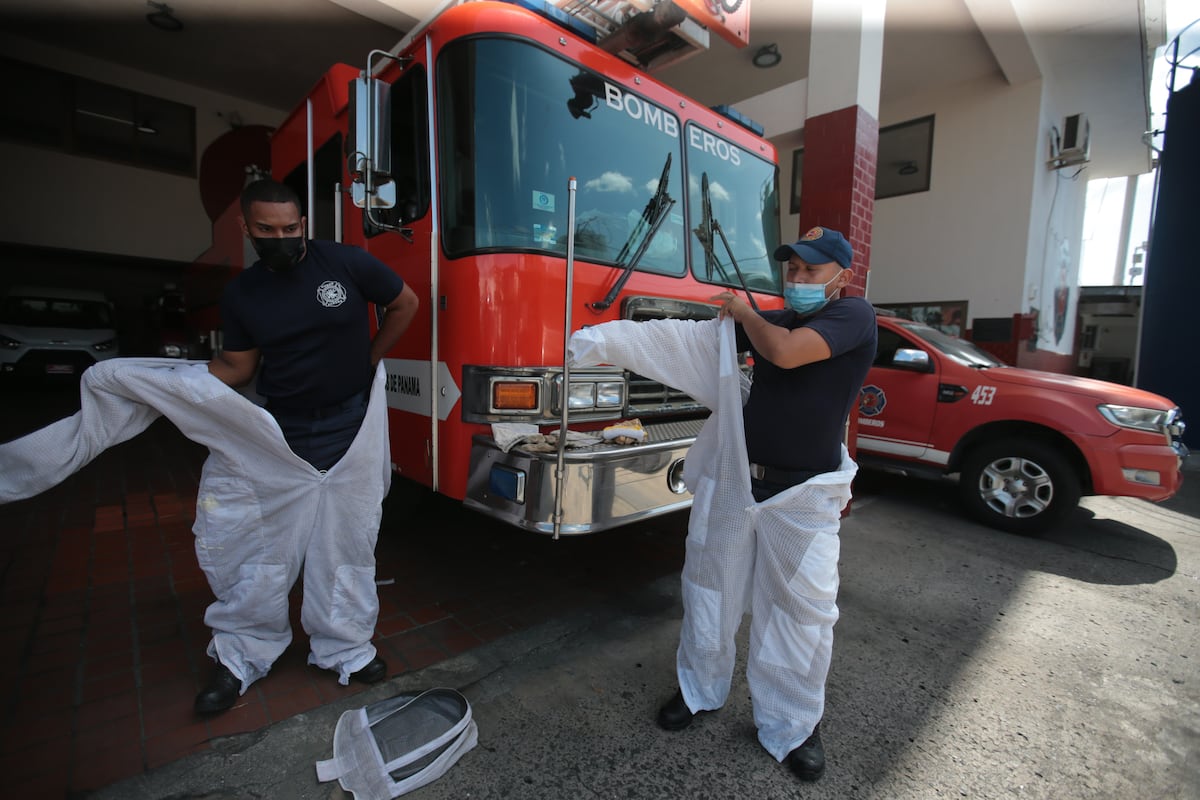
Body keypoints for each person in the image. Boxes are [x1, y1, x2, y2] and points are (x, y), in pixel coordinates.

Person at [568, 225, 876, 783]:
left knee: (799, 612)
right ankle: (698, 690)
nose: (799, 279)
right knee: (710, 589)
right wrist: (606, 339)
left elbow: (781, 354)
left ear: (842, 276)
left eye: (811, 270)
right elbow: (692, 342)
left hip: (803, 494)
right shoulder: (778, 319)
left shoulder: (852, 318)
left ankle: (793, 724)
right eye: (793, 269)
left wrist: (742, 311)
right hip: (738, 482)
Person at [197, 178, 419, 714]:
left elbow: (404, 303)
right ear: (246, 228)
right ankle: (242, 654)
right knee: (264, 546)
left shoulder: (344, 263)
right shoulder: (243, 293)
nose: (281, 238)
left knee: (346, 542)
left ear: (304, 225)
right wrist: (172, 382)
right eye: (267, 230)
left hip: (349, 427)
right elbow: (239, 367)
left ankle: (344, 648)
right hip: (281, 433)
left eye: (290, 228)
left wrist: (367, 359)